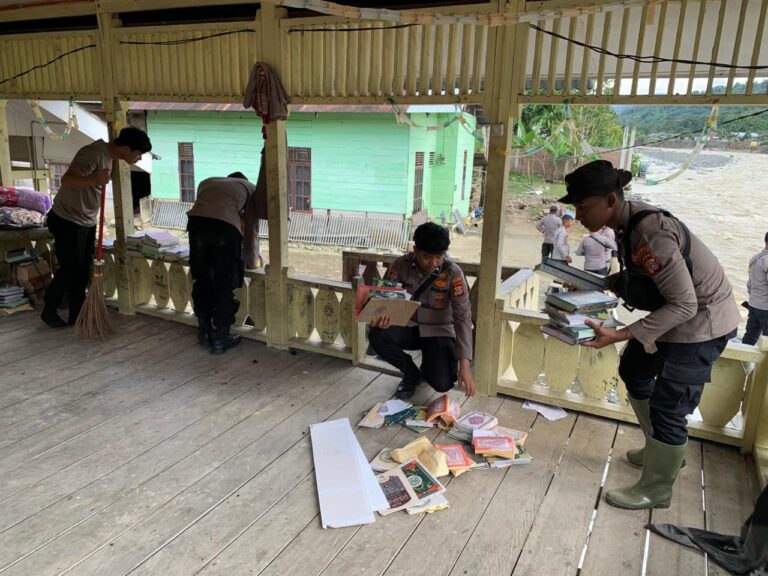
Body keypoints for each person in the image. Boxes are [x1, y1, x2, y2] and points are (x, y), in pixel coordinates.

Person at [561, 159, 739, 510]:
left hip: (701, 325)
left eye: (583, 207)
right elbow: (650, 281)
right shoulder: (627, 226)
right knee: (635, 371)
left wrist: (620, 333)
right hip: (674, 318)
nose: (578, 216)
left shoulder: (650, 233)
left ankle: (657, 487)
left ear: (610, 200)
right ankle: (660, 447)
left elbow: (686, 304)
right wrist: (603, 284)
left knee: (670, 406)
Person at [42, 127, 152, 328]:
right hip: (67, 218)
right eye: (138, 154)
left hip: (85, 220)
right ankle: (49, 309)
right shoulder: (93, 153)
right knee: (71, 269)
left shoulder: (110, 156)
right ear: (126, 148)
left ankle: (78, 314)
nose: (139, 159)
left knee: (83, 271)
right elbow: (67, 180)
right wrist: (94, 179)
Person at [368, 222, 476, 400]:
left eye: (439, 257)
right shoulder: (400, 266)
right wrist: (381, 318)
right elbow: (385, 301)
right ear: (415, 249)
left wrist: (465, 365)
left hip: (439, 331)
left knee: (442, 383)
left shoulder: (453, 274)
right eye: (427, 256)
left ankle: (430, 364)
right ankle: (410, 372)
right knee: (377, 335)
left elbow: (463, 318)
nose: (433, 263)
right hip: (409, 327)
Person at [187, 170, 266, 355]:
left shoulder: (208, 181)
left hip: (196, 225)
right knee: (225, 283)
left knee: (202, 279)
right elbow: (251, 230)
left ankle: (205, 332)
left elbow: (205, 210)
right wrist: (250, 261)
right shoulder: (250, 189)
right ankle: (220, 339)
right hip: (224, 228)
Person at [742, 232, 768, 345]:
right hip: (766, 308)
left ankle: (742, 361)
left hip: (754, 305)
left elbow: (749, 285)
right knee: (766, 342)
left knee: (750, 338)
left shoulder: (755, 258)